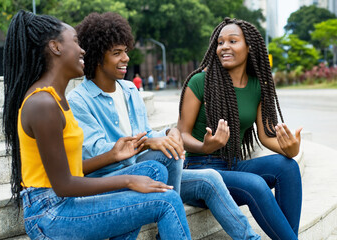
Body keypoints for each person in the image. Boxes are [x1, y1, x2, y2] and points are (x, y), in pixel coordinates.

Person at [68, 12, 260, 239]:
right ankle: (167, 219)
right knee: (165, 158)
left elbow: (146, 133)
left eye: (126, 51)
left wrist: (169, 133)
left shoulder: (129, 90)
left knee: (209, 177)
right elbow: (99, 151)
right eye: (117, 53)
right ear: (97, 58)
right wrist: (151, 142)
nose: (126, 59)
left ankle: (250, 238)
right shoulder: (79, 100)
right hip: (110, 179)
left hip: (145, 170)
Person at [2, 10, 192, 240]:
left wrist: (112, 155)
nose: (82, 50)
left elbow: (69, 169)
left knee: (152, 170)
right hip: (50, 214)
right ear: (55, 47)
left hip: (64, 202)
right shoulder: (43, 103)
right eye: (74, 42)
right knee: (168, 201)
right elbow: (63, 185)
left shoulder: (56, 98)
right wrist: (128, 180)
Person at [178, 17, 302, 240]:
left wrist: (290, 149)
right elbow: (181, 134)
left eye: (232, 41)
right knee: (255, 184)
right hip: (200, 170)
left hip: (233, 166)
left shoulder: (258, 86)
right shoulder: (199, 82)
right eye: (220, 42)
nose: (224, 47)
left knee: (288, 167)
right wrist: (204, 147)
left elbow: (265, 137)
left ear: (249, 47)